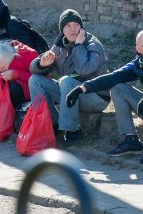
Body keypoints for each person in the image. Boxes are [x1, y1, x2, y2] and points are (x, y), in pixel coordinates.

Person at [66, 30, 143, 164]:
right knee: (118, 87)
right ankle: (131, 140)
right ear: (138, 49)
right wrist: (82, 89)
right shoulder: (139, 63)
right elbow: (113, 77)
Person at [28, 9, 109, 147]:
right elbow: (33, 67)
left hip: (95, 97)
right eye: (68, 26)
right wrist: (42, 64)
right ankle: (51, 125)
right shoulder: (59, 46)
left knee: (66, 80)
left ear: (81, 27)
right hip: (70, 94)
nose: (72, 29)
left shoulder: (92, 44)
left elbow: (84, 70)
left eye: (76, 25)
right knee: (35, 80)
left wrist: (78, 45)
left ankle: (72, 131)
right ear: (62, 30)